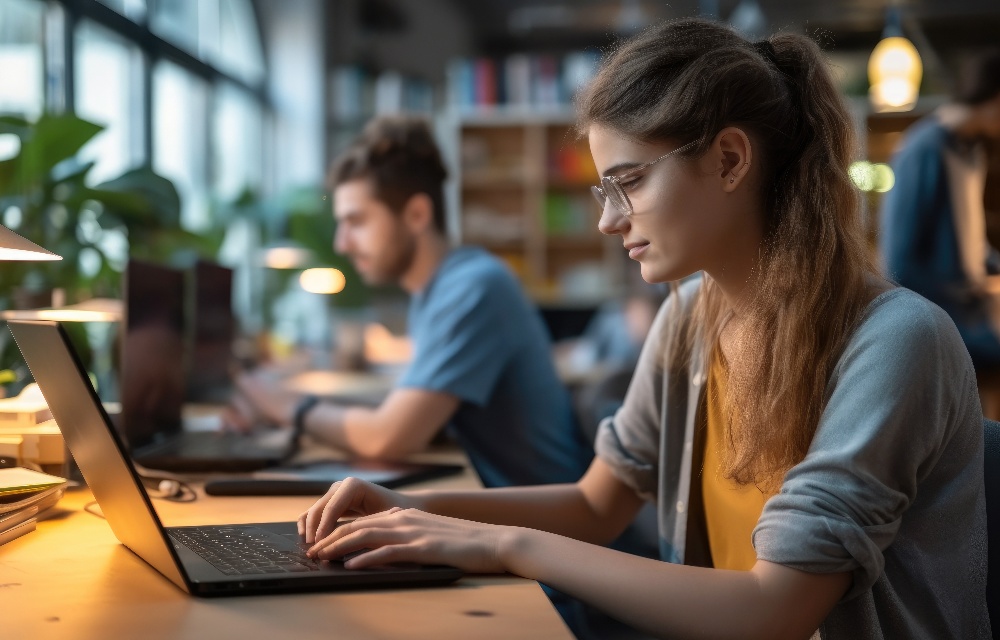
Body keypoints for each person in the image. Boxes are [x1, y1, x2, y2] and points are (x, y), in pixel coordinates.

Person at [294, 18, 990, 639]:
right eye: (605, 191)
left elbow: (775, 609)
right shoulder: (690, 315)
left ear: (729, 161)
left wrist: (503, 544)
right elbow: (597, 503)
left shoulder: (896, 341)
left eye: (628, 183)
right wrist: (414, 509)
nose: (607, 220)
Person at [226, 116, 591, 490]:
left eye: (357, 221)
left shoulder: (474, 288)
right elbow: (402, 406)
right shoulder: (437, 291)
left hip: (551, 527)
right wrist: (289, 405)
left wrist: (288, 407)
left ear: (417, 214)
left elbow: (390, 435)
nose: (341, 243)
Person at [879, 48, 1000, 368]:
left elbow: (968, 242)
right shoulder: (925, 150)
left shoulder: (972, 151)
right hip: (943, 321)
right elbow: (898, 264)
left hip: (970, 311)